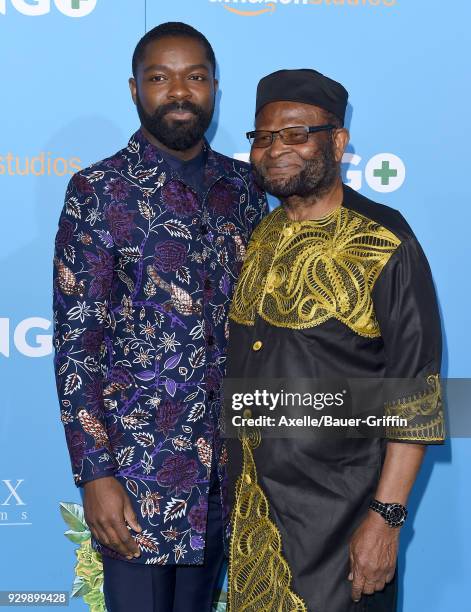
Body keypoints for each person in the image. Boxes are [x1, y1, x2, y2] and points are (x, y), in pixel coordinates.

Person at [52, 22, 267, 612]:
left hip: (227, 471)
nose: (179, 91)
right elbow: (78, 345)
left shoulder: (244, 186)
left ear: (215, 88)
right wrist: (96, 477)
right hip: (137, 476)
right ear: (134, 89)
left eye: (194, 77)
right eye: (160, 77)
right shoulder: (98, 191)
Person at [225, 69, 445, 612]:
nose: (277, 149)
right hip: (254, 520)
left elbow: (414, 395)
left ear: (338, 142)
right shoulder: (261, 235)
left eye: (296, 134)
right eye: (264, 136)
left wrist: (386, 519)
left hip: (341, 525)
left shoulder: (384, 239)